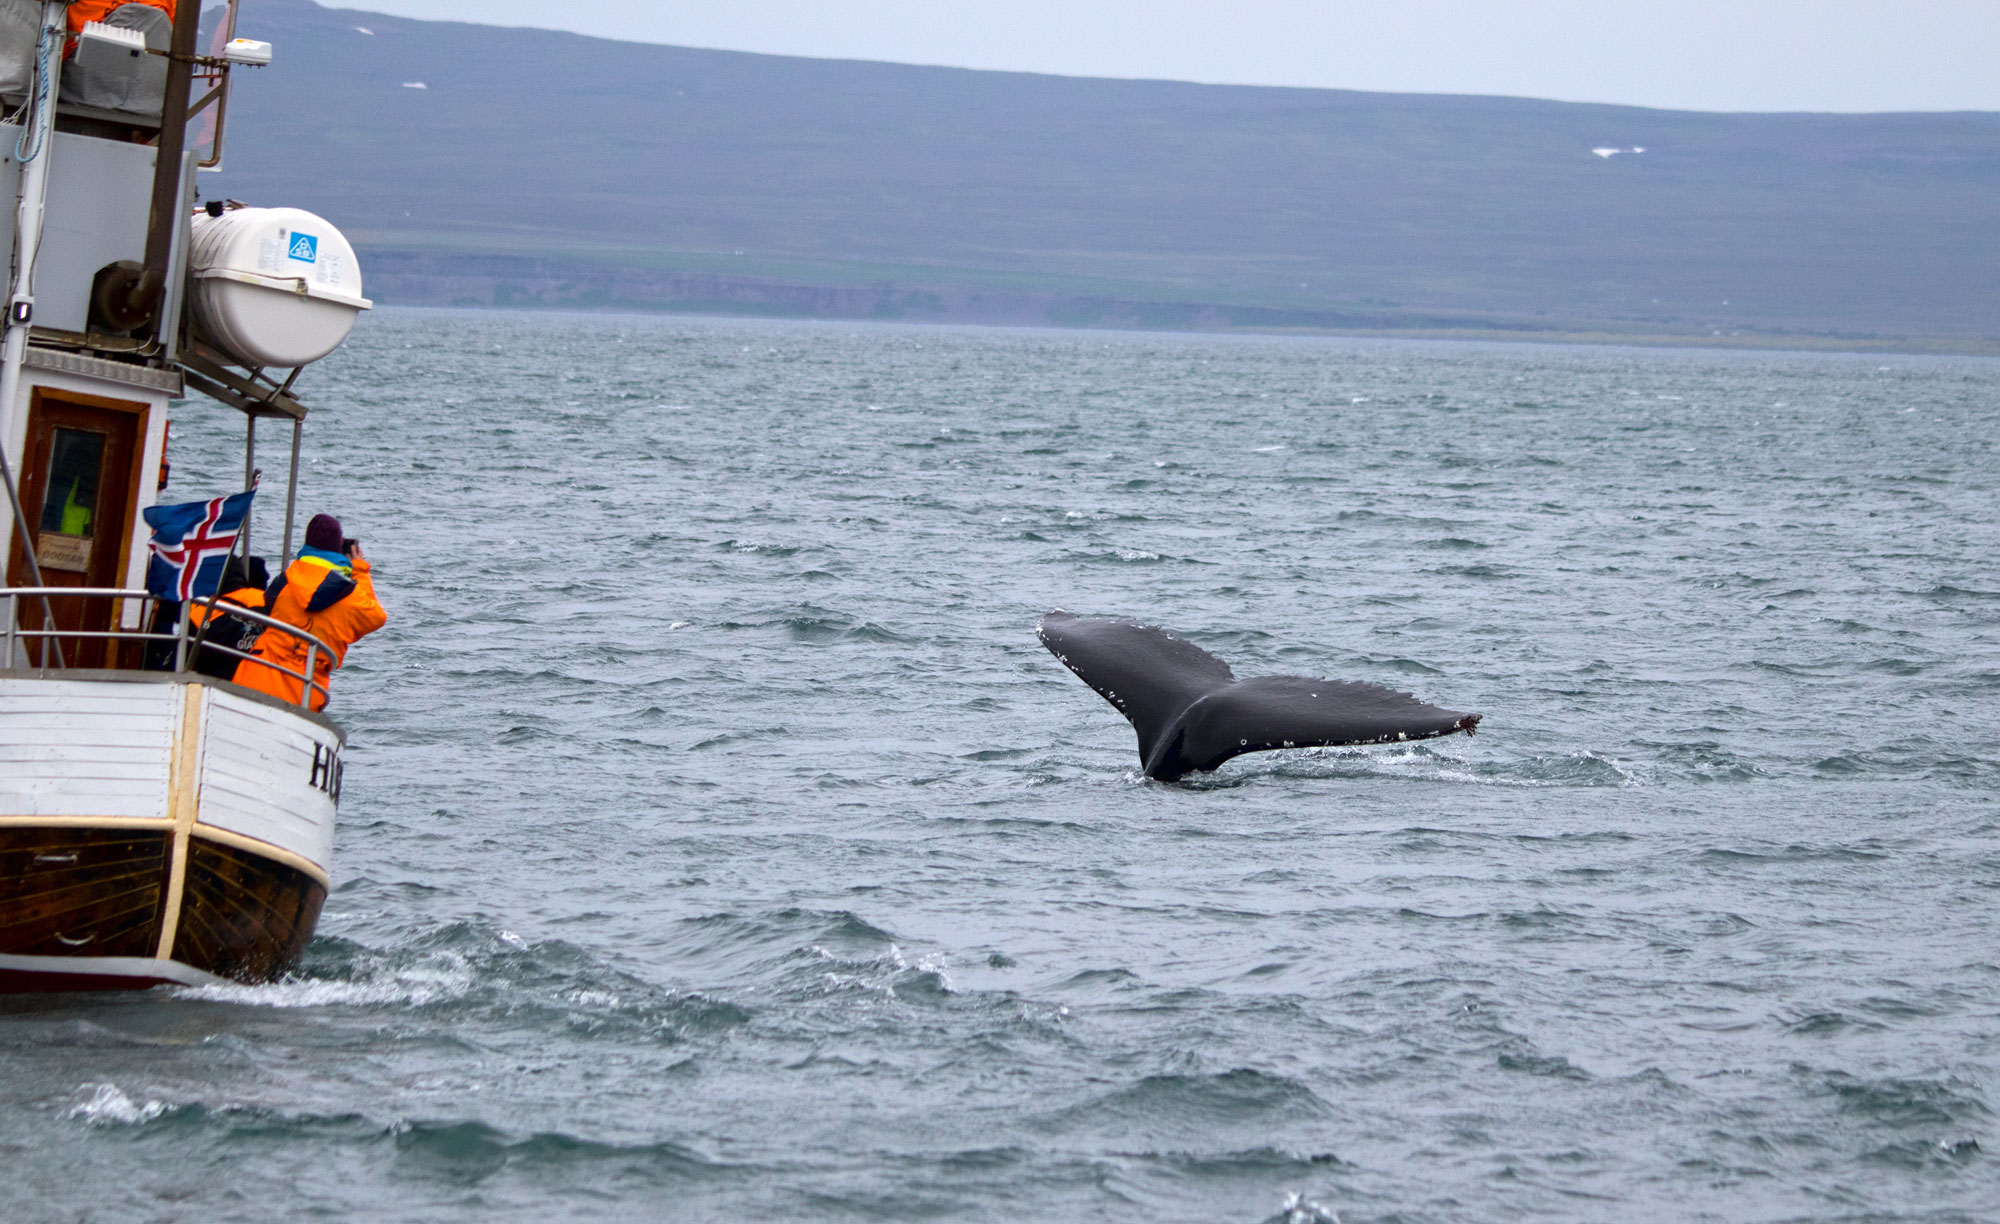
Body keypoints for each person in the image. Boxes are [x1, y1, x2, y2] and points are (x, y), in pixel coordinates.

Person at [232, 514, 386, 710]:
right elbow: (376, 618)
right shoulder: (352, 596)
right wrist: (359, 570)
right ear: (337, 549)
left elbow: (266, 610)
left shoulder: (284, 581)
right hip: (303, 690)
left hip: (255, 676)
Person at [188, 554, 271, 680]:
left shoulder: (201, 611)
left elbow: (187, 659)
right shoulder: (266, 600)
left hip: (216, 680)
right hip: (263, 678)